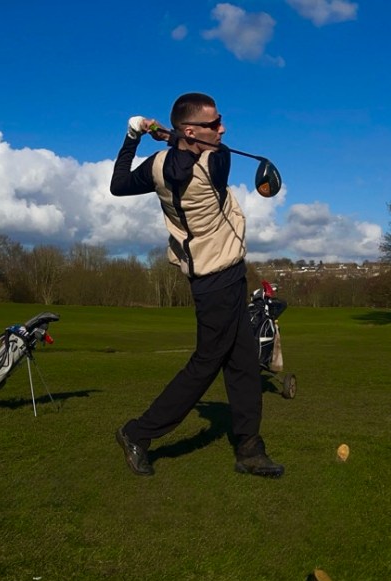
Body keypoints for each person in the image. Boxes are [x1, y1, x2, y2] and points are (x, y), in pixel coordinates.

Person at [109, 92, 283, 478]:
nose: (222, 129)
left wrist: (135, 135)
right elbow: (196, 153)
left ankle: (249, 447)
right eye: (214, 123)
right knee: (206, 365)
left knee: (243, 364)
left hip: (218, 275)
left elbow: (118, 185)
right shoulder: (215, 163)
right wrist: (169, 134)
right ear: (192, 130)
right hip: (217, 279)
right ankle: (137, 432)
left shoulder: (157, 167)